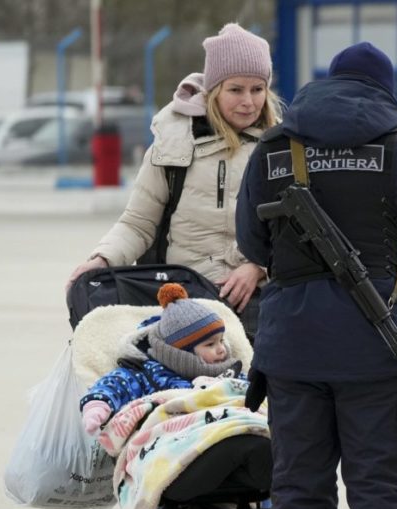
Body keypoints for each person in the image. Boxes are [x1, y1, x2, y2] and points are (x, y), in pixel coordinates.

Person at [235, 41, 397, 509]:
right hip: (379, 351)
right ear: (383, 90)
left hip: (291, 350)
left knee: (296, 488)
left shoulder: (273, 147)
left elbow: (252, 242)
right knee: (379, 490)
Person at [66, 23, 282, 341]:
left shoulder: (281, 148)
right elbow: (138, 224)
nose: (248, 101)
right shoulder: (172, 143)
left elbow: (292, 232)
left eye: (258, 89)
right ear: (213, 90)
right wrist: (102, 259)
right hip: (184, 303)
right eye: (236, 89)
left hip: (258, 305)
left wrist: (258, 267)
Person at [79, 283, 243, 434]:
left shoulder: (230, 372)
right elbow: (114, 385)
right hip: (172, 436)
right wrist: (97, 406)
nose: (222, 349)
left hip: (227, 428)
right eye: (210, 344)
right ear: (179, 351)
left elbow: (249, 393)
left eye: (221, 340)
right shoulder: (146, 373)